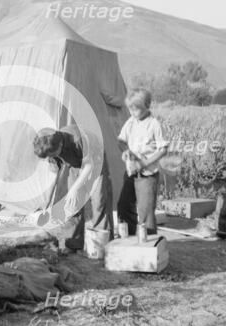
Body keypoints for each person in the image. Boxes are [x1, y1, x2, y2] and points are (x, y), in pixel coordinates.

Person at [33, 124, 113, 253]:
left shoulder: (77, 139)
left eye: (52, 155)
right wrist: (47, 201)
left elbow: (88, 166)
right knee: (72, 204)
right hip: (74, 165)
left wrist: (74, 189)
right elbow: (56, 175)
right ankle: (73, 242)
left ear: (60, 146)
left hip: (95, 162)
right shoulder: (50, 148)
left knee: (99, 201)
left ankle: (102, 245)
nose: (51, 158)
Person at [117, 88, 169, 235]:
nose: (133, 112)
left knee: (145, 211)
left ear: (146, 106)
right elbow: (121, 141)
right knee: (124, 205)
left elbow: (163, 149)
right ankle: (131, 237)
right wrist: (125, 151)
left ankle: (149, 244)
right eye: (130, 109)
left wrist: (143, 164)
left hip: (148, 175)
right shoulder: (131, 122)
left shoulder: (154, 125)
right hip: (130, 173)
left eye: (136, 109)